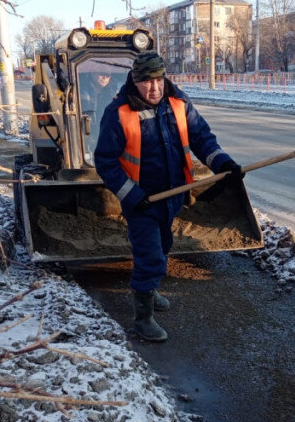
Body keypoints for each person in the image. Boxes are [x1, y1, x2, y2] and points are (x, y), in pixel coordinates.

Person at [94, 52, 243, 342]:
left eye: (158, 80)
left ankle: (150, 290)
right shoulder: (119, 113)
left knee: (163, 245)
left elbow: (202, 137)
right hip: (142, 201)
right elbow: (105, 162)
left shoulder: (178, 103)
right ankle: (142, 319)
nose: (154, 88)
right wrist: (132, 195)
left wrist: (222, 162)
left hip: (173, 196)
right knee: (149, 255)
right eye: (146, 82)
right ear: (135, 82)